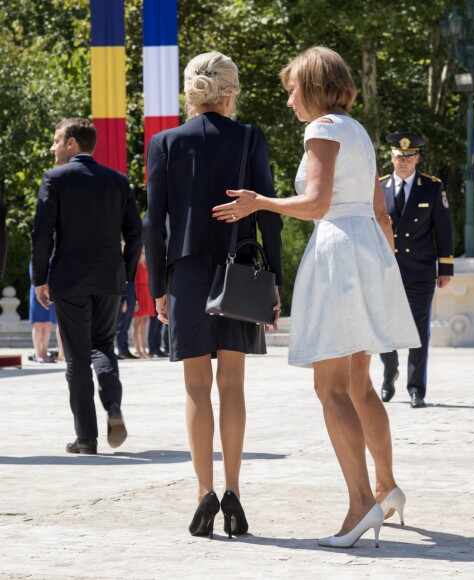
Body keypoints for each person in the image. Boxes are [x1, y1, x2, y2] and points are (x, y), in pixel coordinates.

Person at [212, 46, 420, 548]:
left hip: (338, 252)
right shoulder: (360, 131)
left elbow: (316, 203)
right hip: (367, 248)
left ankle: (359, 505)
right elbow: (379, 208)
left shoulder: (322, 128)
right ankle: (384, 487)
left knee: (330, 389)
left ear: (311, 86)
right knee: (359, 385)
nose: (289, 101)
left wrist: (257, 203)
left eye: (291, 89)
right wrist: (383, 268)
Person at [144, 51, 283, 539]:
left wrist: (159, 287)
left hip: (185, 275)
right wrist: (276, 281)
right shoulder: (250, 138)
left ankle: (203, 492)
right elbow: (268, 214)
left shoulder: (163, 143)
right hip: (240, 274)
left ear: (192, 92)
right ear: (230, 92)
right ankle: (233, 495)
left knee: (196, 387)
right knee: (233, 388)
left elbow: (153, 224)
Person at [31, 118, 142, 455]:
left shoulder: (55, 179)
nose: (53, 148)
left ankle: (86, 438)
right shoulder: (118, 181)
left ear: (73, 143)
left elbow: (42, 233)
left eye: (56, 140)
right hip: (110, 279)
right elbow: (136, 234)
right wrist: (124, 276)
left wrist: (40, 278)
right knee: (104, 345)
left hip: (70, 279)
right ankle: (114, 408)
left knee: (77, 358)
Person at [379, 132, 454, 409]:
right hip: (386, 271)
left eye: (409, 157)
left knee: (418, 331)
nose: (404, 162)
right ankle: (389, 373)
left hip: (420, 270)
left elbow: (443, 230)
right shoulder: (379, 187)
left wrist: (445, 267)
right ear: (391, 157)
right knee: (384, 329)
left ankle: (416, 389)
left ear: (417, 158)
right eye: (399, 157)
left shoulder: (432, 187)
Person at [29, 261, 57, 363]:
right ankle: (38, 354)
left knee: (48, 324)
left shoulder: (54, 257)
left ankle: (44, 353)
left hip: (51, 292)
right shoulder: (36, 257)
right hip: (38, 292)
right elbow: (33, 275)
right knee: (38, 324)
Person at [132, 247, 156, 358]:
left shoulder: (147, 264)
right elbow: (134, 284)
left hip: (147, 295)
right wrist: (135, 300)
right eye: (142, 252)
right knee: (137, 322)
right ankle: (137, 349)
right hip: (139, 295)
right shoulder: (135, 266)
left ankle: (143, 348)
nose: (144, 254)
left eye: (145, 252)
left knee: (145, 321)